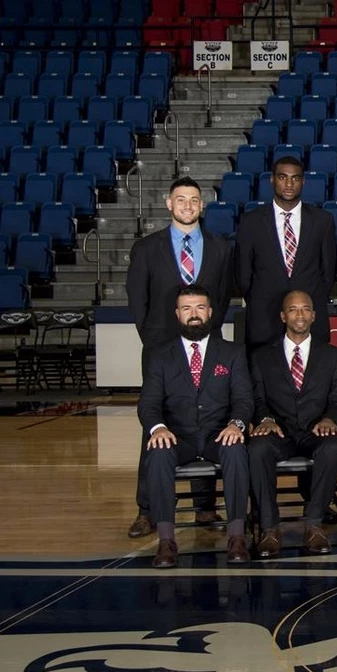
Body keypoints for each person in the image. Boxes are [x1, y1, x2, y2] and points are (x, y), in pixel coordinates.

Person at [125, 177, 233, 539]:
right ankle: (148, 509)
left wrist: (206, 339)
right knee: (155, 426)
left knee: (208, 418)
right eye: (181, 199)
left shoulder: (220, 248)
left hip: (206, 344)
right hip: (162, 351)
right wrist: (157, 345)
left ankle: (205, 507)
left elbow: (220, 298)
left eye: (194, 200)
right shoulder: (146, 249)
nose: (188, 205)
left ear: (202, 206)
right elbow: (138, 303)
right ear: (168, 204)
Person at [138, 284, 251, 569]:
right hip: (179, 436)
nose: (194, 315)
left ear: (210, 312)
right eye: (187, 309)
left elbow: (243, 399)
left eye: (200, 308)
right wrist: (159, 428)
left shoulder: (232, 352)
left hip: (218, 434)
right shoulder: (159, 355)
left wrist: (236, 424)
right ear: (177, 314)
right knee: (159, 453)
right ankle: (166, 541)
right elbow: (148, 403)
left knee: (237, 449)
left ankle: (237, 536)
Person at [247, 289, 337, 558]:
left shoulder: (333, 356)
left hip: (316, 430)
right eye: (293, 309)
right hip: (279, 431)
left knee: (333, 447)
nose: (300, 314)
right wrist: (265, 419)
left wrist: (329, 419)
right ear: (283, 316)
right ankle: (269, 528)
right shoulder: (261, 357)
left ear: (314, 315)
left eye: (305, 309)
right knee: (257, 449)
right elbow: (256, 398)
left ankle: (314, 525)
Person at [235, 156, 337, 358]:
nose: (289, 183)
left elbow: (328, 271)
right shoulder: (251, 221)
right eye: (283, 177)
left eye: (295, 178)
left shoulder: (322, 220)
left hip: (309, 322)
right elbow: (243, 275)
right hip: (264, 320)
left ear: (303, 181)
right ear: (272, 180)